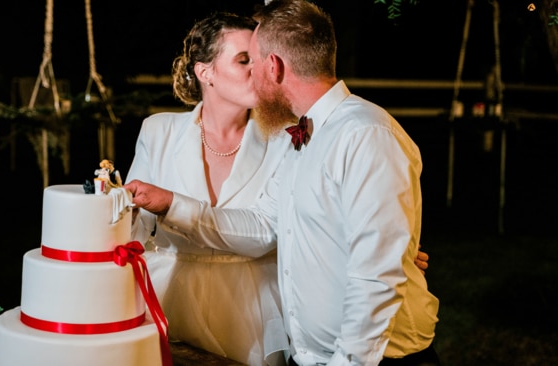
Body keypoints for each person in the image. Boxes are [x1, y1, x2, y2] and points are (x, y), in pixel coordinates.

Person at [125, 1, 440, 365]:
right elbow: (264, 225)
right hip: (310, 356)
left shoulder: (365, 134)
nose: (251, 73)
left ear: (272, 67)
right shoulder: (300, 137)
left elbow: (375, 279)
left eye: (253, 62)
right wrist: (171, 204)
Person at [125, 12, 291, 366]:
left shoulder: (284, 137)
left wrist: (172, 204)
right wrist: (119, 207)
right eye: (243, 60)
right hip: (171, 295)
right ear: (205, 72)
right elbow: (134, 235)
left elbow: (266, 232)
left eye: (259, 60)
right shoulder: (159, 131)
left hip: (252, 308)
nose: (257, 70)